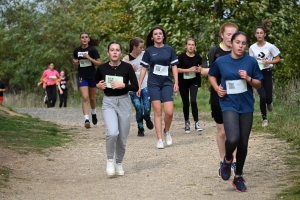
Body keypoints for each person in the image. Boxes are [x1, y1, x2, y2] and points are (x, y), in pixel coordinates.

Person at [208, 31, 263, 192]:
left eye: (244, 43)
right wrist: (217, 88)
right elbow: (212, 75)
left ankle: (238, 177)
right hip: (228, 103)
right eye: (237, 42)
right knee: (232, 138)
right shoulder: (221, 61)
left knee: (243, 143)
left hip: (246, 105)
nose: (240, 46)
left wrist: (248, 79)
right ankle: (227, 160)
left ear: (246, 46)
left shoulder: (251, 62)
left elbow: (258, 84)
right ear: (231, 43)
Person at [201, 22, 240, 176]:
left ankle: (234, 161)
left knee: (233, 132)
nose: (231, 37)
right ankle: (223, 159)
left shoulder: (240, 51)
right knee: (222, 132)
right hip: (218, 95)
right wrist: (221, 69)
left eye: (234, 34)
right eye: (228, 34)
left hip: (236, 96)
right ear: (222, 35)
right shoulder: (214, 51)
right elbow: (203, 70)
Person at [95, 42, 138, 177]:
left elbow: (135, 87)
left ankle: (118, 163)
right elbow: (96, 83)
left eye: (117, 50)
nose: (114, 52)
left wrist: (123, 84)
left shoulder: (128, 67)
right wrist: (99, 86)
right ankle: (110, 160)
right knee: (113, 132)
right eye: (112, 50)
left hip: (124, 102)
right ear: (108, 53)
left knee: (122, 137)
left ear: (120, 53)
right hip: (109, 102)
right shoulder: (102, 68)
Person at [138, 26, 179, 149]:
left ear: (163, 36)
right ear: (152, 37)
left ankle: (167, 131)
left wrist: (176, 82)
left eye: (160, 33)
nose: (158, 35)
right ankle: (160, 139)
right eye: (155, 34)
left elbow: (174, 66)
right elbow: (144, 68)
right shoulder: (149, 51)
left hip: (167, 82)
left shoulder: (169, 49)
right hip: (153, 83)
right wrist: (139, 85)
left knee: (169, 112)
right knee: (157, 111)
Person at [249, 20, 281, 127]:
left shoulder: (270, 46)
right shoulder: (252, 48)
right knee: (262, 96)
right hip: (257, 73)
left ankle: (269, 102)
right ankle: (264, 119)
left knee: (268, 98)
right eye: (257, 33)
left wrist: (268, 62)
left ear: (264, 34)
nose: (259, 35)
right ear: (255, 35)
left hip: (267, 72)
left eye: (261, 33)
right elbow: (251, 61)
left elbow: (278, 59)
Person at [122, 37, 154, 136]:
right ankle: (140, 127)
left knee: (147, 107)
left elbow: (150, 64)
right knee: (138, 107)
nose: (142, 49)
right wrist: (130, 71)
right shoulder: (125, 60)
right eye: (140, 47)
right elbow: (123, 77)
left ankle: (147, 118)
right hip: (133, 88)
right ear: (134, 47)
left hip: (145, 85)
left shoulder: (144, 54)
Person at [73, 32, 101, 128]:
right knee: (85, 97)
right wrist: (75, 62)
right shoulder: (77, 50)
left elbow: (99, 63)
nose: (84, 39)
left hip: (92, 76)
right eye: (82, 37)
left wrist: (89, 58)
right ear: (80, 40)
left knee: (92, 98)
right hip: (82, 76)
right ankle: (86, 119)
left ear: (89, 39)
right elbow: (75, 59)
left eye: (86, 37)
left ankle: (93, 113)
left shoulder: (92, 50)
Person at [177, 38, 203, 133]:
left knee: (193, 101)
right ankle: (187, 122)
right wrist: (189, 70)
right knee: (186, 103)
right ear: (186, 46)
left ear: (195, 46)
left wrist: (199, 69)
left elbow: (202, 68)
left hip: (194, 81)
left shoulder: (198, 57)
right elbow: (177, 70)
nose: (191, 46)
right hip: (183, 81)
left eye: (192, 45)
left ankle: (197, 122)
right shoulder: (181, 57)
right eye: (189, 44)